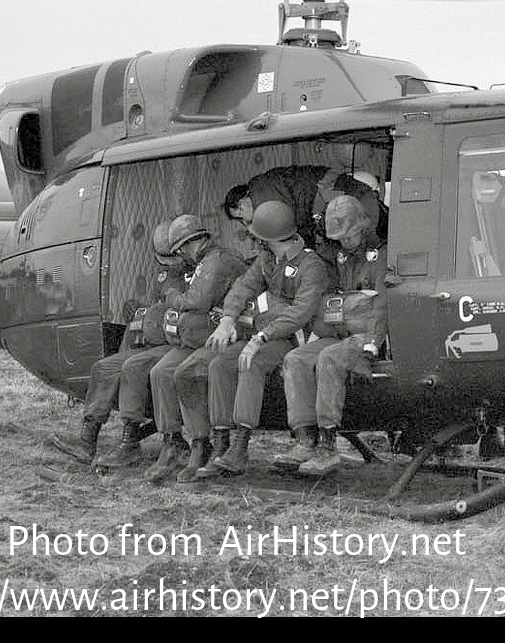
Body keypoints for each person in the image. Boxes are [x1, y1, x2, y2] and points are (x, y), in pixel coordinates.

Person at [174, 200, 330, 480]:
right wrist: (226, 321)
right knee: (220, 363)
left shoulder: (310, 264)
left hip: (296, 339)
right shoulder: (268, 260)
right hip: (267, 334)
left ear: (267, 238)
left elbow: (301, 313)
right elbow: (242, 287)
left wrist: (260, 337)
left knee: (251, 361)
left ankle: (240, 446)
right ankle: (221, 441)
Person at [276, 194, 394, 477]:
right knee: (296, 359)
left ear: (362, 227)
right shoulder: (340, 257)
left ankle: (328, 447)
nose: (345, 242)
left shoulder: (382, 255)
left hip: (366, 335)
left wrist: (372, 345)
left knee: (329, 358)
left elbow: (382, 303)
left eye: (349, 236)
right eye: (340, 238)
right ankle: (305, 440)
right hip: (341, 333)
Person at [48, 219, 182, 464]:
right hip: (152, 342)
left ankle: (130, 441)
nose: (168, 264)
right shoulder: (164, 277)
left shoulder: (194, 276)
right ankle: (87, 439)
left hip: (176, 344)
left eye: (172, 257)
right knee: (104, 367)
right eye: (164, 259)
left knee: (133, 367)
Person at [140, 211, 249, 483]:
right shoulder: (204, 262)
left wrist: (173, 296)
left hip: (222, 336)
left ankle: (202, 443)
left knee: (184, 374)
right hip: (197, 338)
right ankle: (172, 440)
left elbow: (197, 300)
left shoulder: (217, 261)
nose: (182, 257)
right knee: (160, 372)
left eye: (181, 250)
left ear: (189, 244)